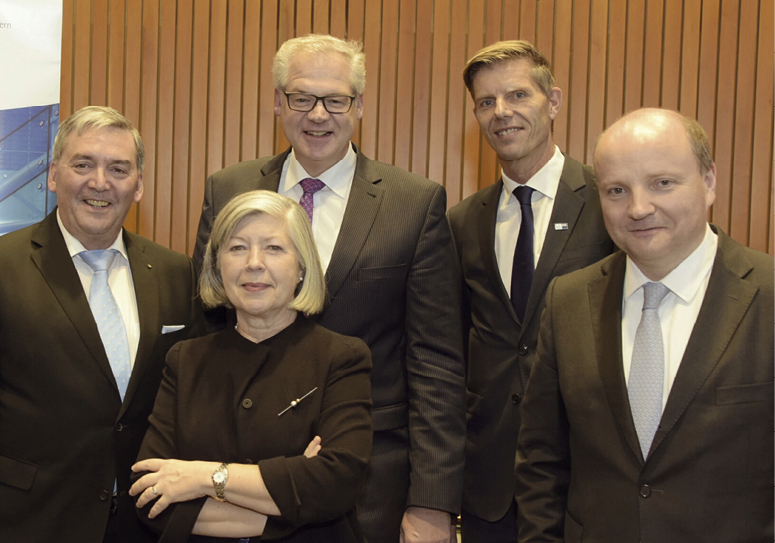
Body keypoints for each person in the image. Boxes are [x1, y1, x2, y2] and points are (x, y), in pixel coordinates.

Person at [192, 34, 465, 543]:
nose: (318, 114)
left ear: (358, 106)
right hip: (243, 477)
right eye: (301, 97)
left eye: (335, 100)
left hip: (371, 482)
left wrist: (432, 502)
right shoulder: (228, 189)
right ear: (278, 102)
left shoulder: (414, 203)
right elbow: (206, 333)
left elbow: (436, 362)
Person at [0, 105, 199, 543]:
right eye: (83, 164)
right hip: (24, 525)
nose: (100, 182)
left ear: (139, 185)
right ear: (53, 175)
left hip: (139, 527)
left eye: (118, 168)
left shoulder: (175, 273)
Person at [514, 108, 774, 542]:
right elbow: (542, 462)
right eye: (617, 190)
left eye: (662, 183)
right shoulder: (567, 301)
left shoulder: (767, 295)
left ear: (709, 181)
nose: (638, 208)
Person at [131, 189, 373, 542]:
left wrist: (201, 477)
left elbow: (336, 484)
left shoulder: (341, 357)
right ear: (217, 267)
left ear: (302, 266)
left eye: (273, 248)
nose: (254, 262)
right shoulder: (185, 360)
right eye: (237, 248)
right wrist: (294, 508)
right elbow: (150, 496)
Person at [447, 41, 614, 542]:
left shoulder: (608, 202)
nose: (502, 112)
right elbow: (452, 347)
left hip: (585, 477)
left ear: (553, 101)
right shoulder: (462, 221)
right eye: (486, 102)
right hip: (488, 485)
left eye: (518, 94)